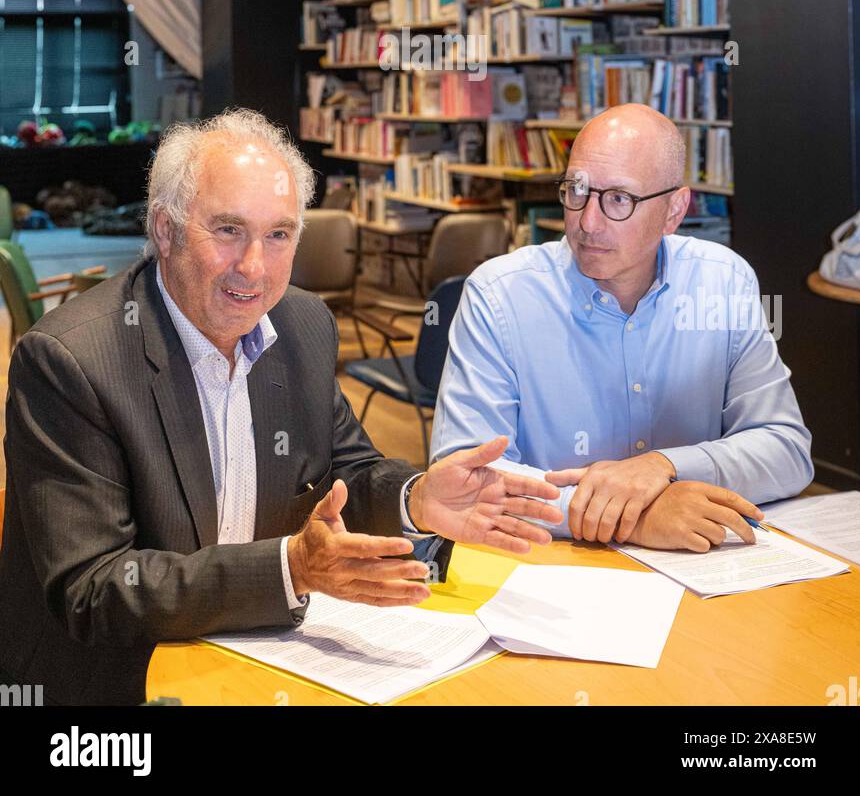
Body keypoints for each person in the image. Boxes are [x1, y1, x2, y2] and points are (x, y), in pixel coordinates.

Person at [0, 109, 560, 706]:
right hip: (116, 682)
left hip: (258, 650)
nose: (254, 268)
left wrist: (414, 497)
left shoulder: (302, 324)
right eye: (227, 230)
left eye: (278, 235)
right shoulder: (70, 361)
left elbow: (342, 471)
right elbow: (95, 588)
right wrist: (290, 570)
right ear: (165, 230)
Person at [432, 103, 813, 553]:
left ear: (674, 210)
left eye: (619, 199)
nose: (587, 223)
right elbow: (464, 480)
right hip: (549, 569)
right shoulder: (499, 296)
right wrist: (638, 516)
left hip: (703, 569)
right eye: (576, 190)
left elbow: (786, 449)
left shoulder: (722, 282)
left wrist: (664, 466)